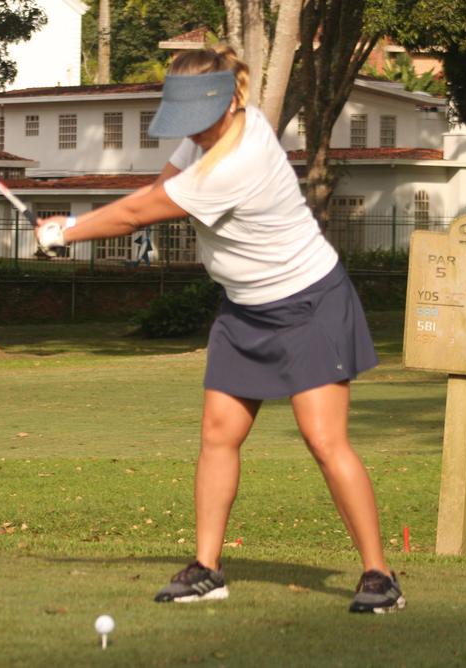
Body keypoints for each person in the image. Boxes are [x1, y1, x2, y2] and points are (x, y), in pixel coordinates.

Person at [36, 45, 405, 614]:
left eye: (198, 120)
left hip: (308, 303)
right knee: (218, 434)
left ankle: (379, 576)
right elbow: (155, 191)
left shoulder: (240, 159)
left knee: (324, 441)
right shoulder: (209, 132)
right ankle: (208, 568)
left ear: (230, 102)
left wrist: (67, 231)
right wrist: (78, 223)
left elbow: (142, 212)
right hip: (245, 308)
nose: (193, 132)